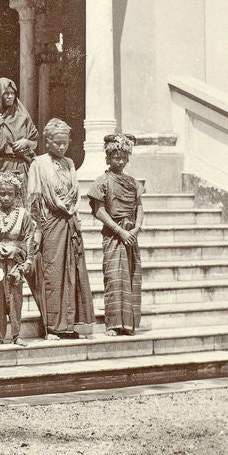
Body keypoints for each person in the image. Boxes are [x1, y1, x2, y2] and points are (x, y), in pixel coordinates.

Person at [27, 118, 95, 339]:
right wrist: (37, 228)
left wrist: (73, 215)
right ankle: (53, 326)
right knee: (53, 274)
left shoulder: (69, 163)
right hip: (51, 224)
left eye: (64, 143)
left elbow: (75, 194)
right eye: (56, 143)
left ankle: (70, 323)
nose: (61, 147)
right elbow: (34, 199)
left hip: (69, 223)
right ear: (47, 142)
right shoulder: (38, 163)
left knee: (73, 273)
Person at [88, 133, 143, 336]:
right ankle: (112, 324)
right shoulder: (102, 181)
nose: (119, 161)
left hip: (131, 236)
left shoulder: (133, 183)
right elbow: (100, 211)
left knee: (131, 277)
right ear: (108, 159)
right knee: (114, 278)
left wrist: (135, 229)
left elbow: (140, 207)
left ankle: (129, 324)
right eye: (115, 157)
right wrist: (120, 231)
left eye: (123, 158)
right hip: (114, 236)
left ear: (127, 159)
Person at [0, 173, 41, 346]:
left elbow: (29, 237)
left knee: (15, 298)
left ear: (17, 194)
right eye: (2, 194)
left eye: (10, 193)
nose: (6, 197)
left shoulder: (23, 214)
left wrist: (27, 260)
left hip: (16, 261)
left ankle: (16, 335)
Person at [0, 77, 37, 208]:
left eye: (12, 93)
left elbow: (35, 142)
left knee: (22, 207)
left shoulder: (23, 115)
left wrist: (26, 142)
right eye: (6, 93)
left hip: (20, 165)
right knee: (1, 207)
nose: (10, 96)